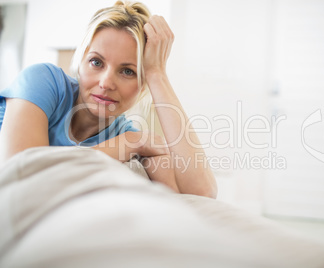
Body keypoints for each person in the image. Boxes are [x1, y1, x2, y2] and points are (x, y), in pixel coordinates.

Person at [0, 1, 217, 198]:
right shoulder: (43, 81)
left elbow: (201, 193)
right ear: (81, 61)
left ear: (142, 87)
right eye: (96, 62)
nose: (106, 83)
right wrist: (129, 143)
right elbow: (21, 177)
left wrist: (157, 74)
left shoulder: (126, 133)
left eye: (127, 71)